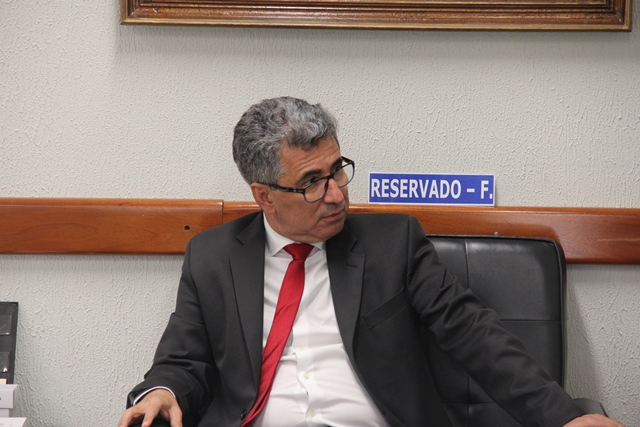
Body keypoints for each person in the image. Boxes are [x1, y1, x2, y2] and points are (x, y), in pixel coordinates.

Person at [118, 97, 624, 427]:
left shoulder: (393, 243)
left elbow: (473, 333)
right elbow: (183, 360)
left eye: (338, 170)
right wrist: (161, 391)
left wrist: (564, 417)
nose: (336, 194)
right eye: (312, 182)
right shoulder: (213, 256)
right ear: (264, 196)